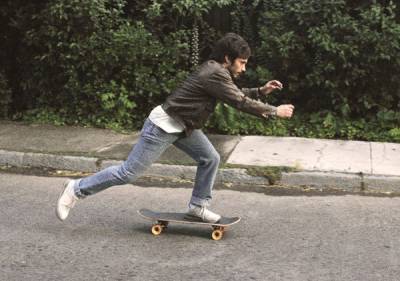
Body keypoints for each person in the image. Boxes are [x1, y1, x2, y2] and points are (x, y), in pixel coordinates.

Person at [56, 33, 294, 223]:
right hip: (163, 126)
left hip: (183, 126)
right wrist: (274, 110)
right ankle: (76, 189)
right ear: (226, 59)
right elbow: (238, 101)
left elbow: (235, 94)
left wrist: (261, 92)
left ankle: (198, 207)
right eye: (241, 63)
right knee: (129, 173)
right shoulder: (214, 73)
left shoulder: (217, 72)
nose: (243, 68)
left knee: (210, 158)